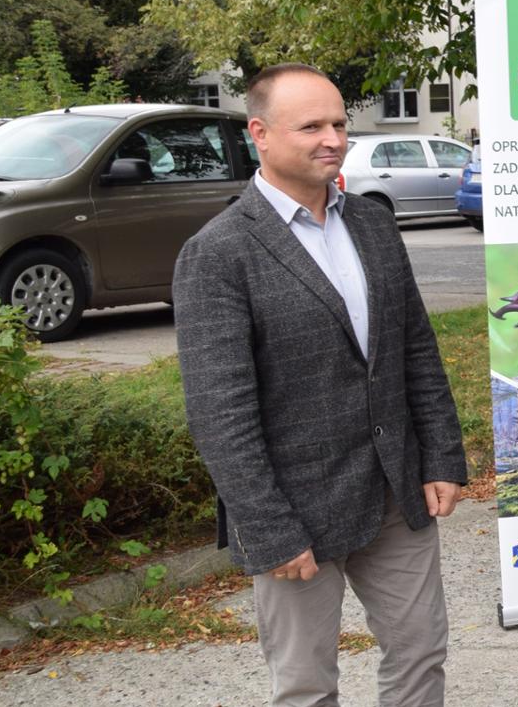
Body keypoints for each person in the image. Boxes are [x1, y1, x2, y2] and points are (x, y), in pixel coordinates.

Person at [174, 63, 467, 707]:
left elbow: (415, 346)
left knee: (420, 652)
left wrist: (441, 454)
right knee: (306, 684)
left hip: (396, 486)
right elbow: (220, 413)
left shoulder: (371, 223)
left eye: (338, 123)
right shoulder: (218, 252)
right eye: (310, 126)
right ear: (261, 133)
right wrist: (269, 526)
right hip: (293, 508)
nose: (332, 138)